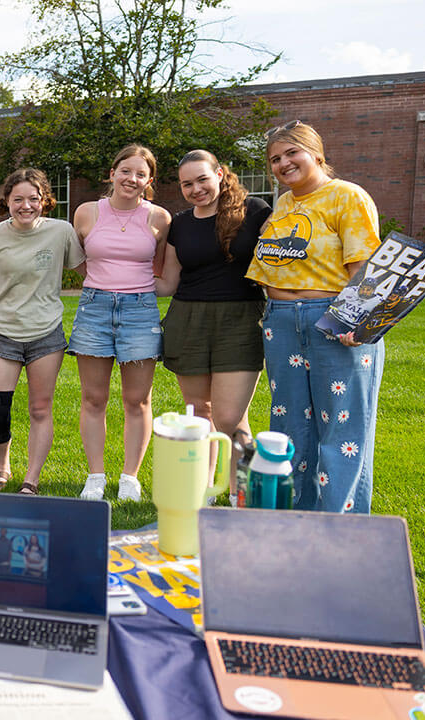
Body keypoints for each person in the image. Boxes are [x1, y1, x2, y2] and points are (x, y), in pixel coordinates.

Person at [246, 121, 384, 514]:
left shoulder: (347, 196)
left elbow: (363, 269)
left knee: (341, 428)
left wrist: (357, 321)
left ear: (317, 154)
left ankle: (340, 525)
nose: (283, 163)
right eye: (275, 159)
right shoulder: (284, 205)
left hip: (332, 319)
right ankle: (295, 517)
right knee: (290, 425)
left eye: (292, 153)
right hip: (282, 321)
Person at [156, 150, 272, 497]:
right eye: (187, 184)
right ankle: (202, 488)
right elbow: (169, 282)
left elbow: (282, 258)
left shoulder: (255, 211)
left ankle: (244, 493)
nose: (196, 189)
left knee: (230, 418)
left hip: (240, 319)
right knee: (198, 414)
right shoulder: (180, 223)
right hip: (188, 320)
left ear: (220, 174)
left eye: (202, 179)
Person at [69, 144, 172, 502]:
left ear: (149, 180)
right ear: (112, 173)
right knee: (93, 398)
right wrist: (102, 283)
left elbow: (159, 268)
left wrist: (132, 290)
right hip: (94, 307)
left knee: (137, 400)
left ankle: (130, 476)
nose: (132, 179)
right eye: (125, 171)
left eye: (140, 174)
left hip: (140, 311)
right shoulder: (86, 213)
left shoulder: (159, 218)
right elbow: (81, 260)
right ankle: (95, 475)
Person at [0, 168, 84, 495]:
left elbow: (90, 268)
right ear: (6, 201)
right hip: (4, 332)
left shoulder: (61, 232)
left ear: (44, 200)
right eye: (17, 199)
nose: (25, 205)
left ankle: (31, 481)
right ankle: (2, 467)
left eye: (33, 199)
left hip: (46, 334)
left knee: (40, 408)